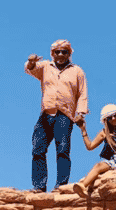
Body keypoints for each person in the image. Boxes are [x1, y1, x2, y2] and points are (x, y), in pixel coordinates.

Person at [25, 40, 88, 192]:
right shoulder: (46, 66)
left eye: (64, 52)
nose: (60, 55)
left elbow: (82, 93)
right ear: (52, 53)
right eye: (57, 52)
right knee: (38, 149)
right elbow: (31, 69)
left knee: (63, 150)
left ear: (69, 54)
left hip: (65, 115)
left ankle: (61, 186)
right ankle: (39, 186)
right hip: (46, 113)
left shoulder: (77, 71)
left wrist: (80, 113)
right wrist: (31, 61)